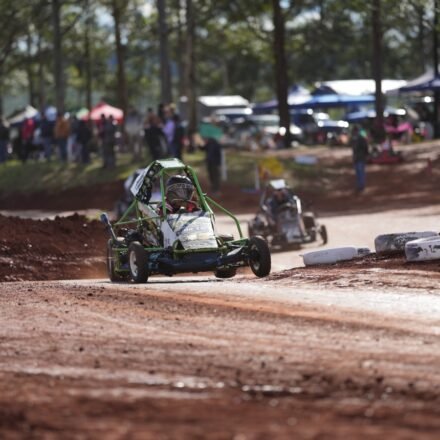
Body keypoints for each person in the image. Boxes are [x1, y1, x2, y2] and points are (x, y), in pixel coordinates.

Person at [351, 126, 369, 193]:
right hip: (356, 158)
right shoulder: (353, 139)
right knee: (358, 173)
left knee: (361, 172)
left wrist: (366, 155)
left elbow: (365, 147)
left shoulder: (361, 139)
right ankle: (359, 185)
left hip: (361, 158)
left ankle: (361, 186)